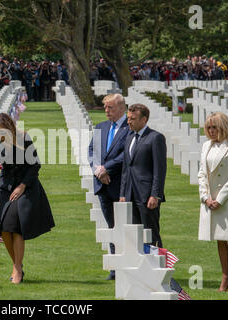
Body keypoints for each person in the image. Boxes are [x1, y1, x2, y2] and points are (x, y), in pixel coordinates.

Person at [0, 113, 55, 284]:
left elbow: (35, 164)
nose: (0, 136)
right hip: (6, 187)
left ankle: (17, 268)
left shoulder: (24, 138)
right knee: (3, 229)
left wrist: (22, 185)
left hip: (26, 186)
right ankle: (18, 265)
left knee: (15, 225)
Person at [197, 112, 228, 293]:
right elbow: (202, 173)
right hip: (211, 199)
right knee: (219, 240)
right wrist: (205, 197)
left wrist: (220, 199)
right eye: (208, 127)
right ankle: (224, 275)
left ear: (223, 127)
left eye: (214, 127)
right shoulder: (206, 146)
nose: (211, 131)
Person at [88, 93, 130, 280]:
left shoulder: (130, 128)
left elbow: (127, 154)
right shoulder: (101, 127)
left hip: (120, 185)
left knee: (126, 226)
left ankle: (128, 264)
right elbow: (92, 151)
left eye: (110, 107)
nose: (106, 110)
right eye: (105, 107)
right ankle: (114, 268)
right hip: (102, 185)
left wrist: (107, 168)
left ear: (121, 108)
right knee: (111, 226)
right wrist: (98, 170)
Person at [119, 104, 167, 248]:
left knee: (151, 233)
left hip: (147, 196)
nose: (129, 122)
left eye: (133, 119)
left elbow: (160, 169)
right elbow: (126, 169)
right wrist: (122, 193)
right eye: (128, 118)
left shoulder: (155, 137)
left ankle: (156, 266)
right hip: (130, 194)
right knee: (135, 235)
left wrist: (155, 195)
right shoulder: (129, 138)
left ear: (144, 119)